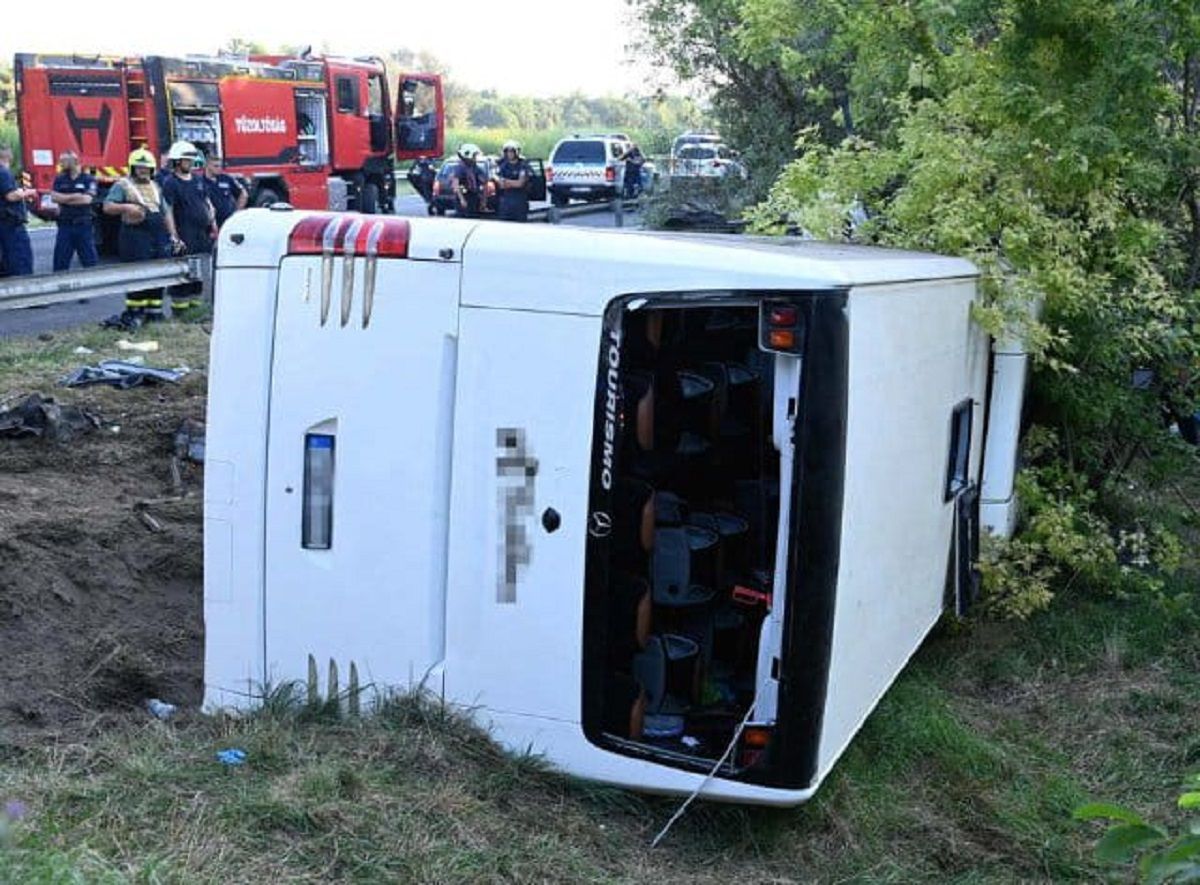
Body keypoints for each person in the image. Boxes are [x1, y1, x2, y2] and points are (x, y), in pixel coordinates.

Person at [103, 148, 169, 318]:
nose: (143, 171)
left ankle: (155, 312)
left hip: (157, 236)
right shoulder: (122, 185)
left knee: (158, 273)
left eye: (146, 168)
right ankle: (135, 312)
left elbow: (166, 212)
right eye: (139, 168)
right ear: (133, 168)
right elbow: (108, 207)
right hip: (134, 237)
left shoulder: (155, 186)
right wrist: (126, 207)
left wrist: (173, 235)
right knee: (138, 274)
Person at [160, 140, 216, 312]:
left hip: (202, 235)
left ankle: (195, 314)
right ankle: (181, 314)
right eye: (186, 159)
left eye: (191, 159)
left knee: (198, 277)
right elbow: (167, 210)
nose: (190, 162)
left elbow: (207, 202)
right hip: (185, 235)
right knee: (183, 277)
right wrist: (174, 237)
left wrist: (213, 222)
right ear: (177, 161)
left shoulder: (198, 180)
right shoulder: (171, 182)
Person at [50, 150, 99, 271]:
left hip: (83, 225)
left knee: (90, 263)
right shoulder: (60, 179)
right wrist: (75, 195)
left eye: (64, 160)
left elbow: (86, 200)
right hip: (65, 225)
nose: (61, 163)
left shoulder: (88, 179)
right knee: (60, 263)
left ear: (74, 161)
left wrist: (64, 199)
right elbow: (54, 198)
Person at [0, 146, 36, 277]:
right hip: (10, 223)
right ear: (7, 155)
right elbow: (10, 195)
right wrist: (27, 192)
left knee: (6, 260)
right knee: (20, 259)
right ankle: (24, 292)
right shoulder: (3, 172)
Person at [199, 152, 247, 228]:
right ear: (207, 166)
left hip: (227, 222)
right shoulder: (199, 181)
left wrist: (237, 212)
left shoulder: (226, 179)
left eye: (220, 166)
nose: (219, 168)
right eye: (216, 166)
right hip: (209, 223)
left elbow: (243, 193)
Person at [495, 140, 532, 223]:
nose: (510, 153)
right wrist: (512, 182)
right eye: (507, 151)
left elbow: (520, 184)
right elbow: (501, 184)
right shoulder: (503, 166)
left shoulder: (523, 165)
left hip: (520, 201)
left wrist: (506, 181)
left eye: (512, 151)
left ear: (517, 152)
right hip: (506, 201)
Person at [448, 143, 484, 218]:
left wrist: (483, 199)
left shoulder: (474, 167)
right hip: (464, 197)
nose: (475, 158)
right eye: (474, 155)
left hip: (473, 197)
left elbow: (483, 179)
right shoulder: (460, 168)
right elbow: (456, 185)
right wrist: (462, 199)